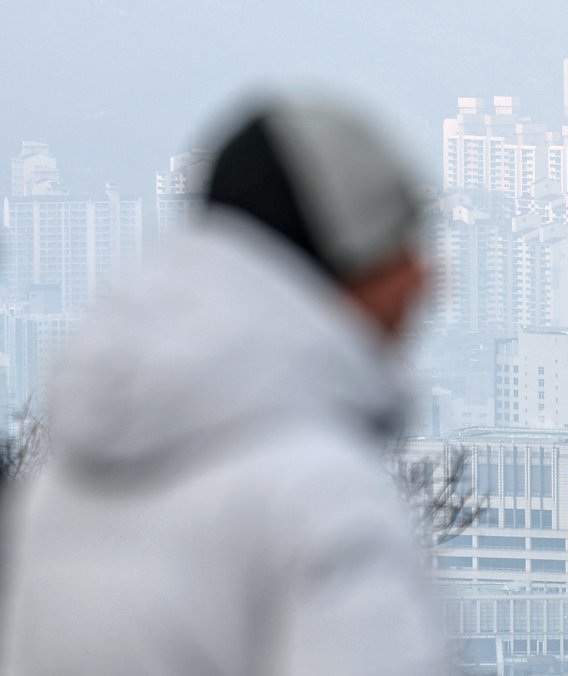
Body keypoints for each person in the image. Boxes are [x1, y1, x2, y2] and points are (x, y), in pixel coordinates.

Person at [0, 97, 448, 674]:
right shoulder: (319, 498)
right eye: (399, 246)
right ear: (342, 260)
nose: (426, 278)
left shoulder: (58, 488)